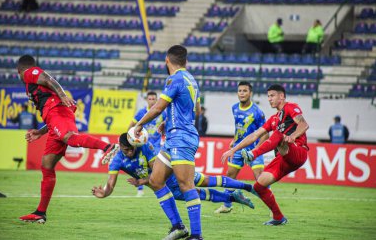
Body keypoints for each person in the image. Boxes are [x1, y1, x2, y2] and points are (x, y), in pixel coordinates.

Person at [16, 55, 119, 223]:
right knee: (47, 164)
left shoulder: (28, 73)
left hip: (58, 111)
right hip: (52, 118)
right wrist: (40, 133)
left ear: (18, 70)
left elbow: (48, 79)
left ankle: (108, 147)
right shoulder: (33, 86)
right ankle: (40, 213)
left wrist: (62, 95)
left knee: (70, 138)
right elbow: (51, 118)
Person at [134, 45, 203, 240]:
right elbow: (196, 110)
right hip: (173, 136)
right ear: (185, 61)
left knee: (186, 185)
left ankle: (197, 235)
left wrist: (139, 125)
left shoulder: (175, 78)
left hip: (181, 137)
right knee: (156, 180)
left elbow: (157, 107)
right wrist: (169, 120)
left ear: (167, 60)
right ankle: (178, 226)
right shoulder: (192, 79)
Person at [221, 84, 310, 226]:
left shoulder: (291, 107)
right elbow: (254, 135)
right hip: (283, 157)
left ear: (281, 96)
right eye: (268, 96)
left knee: (278, 134)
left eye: (272, 95)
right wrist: (234, 149)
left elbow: (304, 125)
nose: (269, 99)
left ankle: (252, 154)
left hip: (298, 151)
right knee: (259, 185)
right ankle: (278, 217)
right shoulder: (274, 118)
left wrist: (292, 136)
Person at [92, 133, 255, 210]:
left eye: (131, 149)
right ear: (121, 148)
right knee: (200, 195)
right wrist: (105, 193)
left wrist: (142, 181)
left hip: (175, 174)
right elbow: (111, 184)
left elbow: (158, 173)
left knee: (205, 181)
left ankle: (247, 187)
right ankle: (233, 198)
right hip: (169, 189)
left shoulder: (144, 149)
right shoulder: (117, 160)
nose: (130, 152)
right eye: (126, 150)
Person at [215, 81, 268, 214]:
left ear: (250, 93)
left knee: (260, 178)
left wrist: (257, 150)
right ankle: (227, 205)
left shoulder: (257, 112)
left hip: (253, 150)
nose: (242, 93)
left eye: (245, 91)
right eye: (240, 91)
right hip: (238, 149)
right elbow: (240, 128)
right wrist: (234, 140)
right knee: (229, 176)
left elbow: (265, 133)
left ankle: (272, 208)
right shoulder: (234, 108)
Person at [128, 91, 167, 197]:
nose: (151, 101)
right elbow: (132, 124)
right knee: (141, 165)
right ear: (146, 100)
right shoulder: (141, 112)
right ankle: (140, 189)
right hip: (144, 145)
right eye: (149, 99)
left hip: (157, 144)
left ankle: (161, 187)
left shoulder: (162, 112)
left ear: (157, 100)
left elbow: (167, 124)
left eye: (153, 99)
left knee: (159, 167)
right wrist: (128, 136)